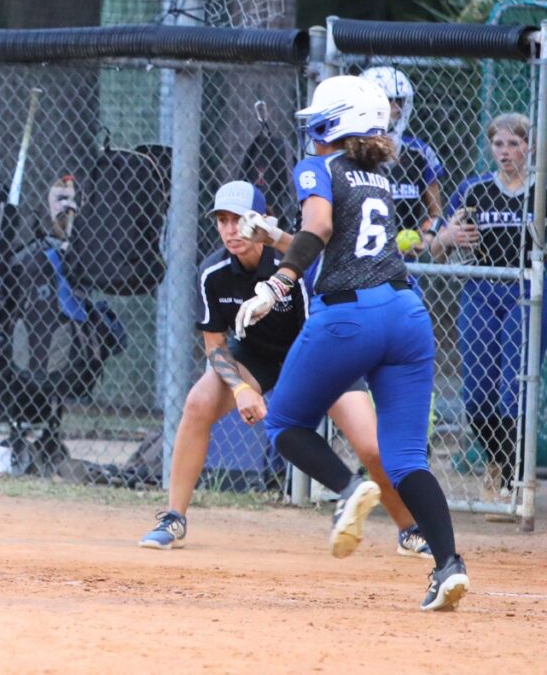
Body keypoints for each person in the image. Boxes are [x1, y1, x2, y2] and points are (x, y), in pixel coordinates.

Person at [235, 75, 468, 611]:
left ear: (333, 124)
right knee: (407, 457)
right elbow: (327, 240)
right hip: (407, 315)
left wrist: (277, 282)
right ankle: (449, 565)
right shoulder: (377, 175)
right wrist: (273, 237)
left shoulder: (318, 166)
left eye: (319, 123)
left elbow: (319, 224)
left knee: (286, 423)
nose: (312, 133)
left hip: (349, 316)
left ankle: (348, 490)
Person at [138, 181, 432, 561]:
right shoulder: (213, 272)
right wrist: (242, 389)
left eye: (240, 220)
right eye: (223, 221)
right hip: (257, 356)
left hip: (322, 353)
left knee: (373, 447)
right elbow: (215, 345)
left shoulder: (290, 264)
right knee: (197, 404)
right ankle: (173, 518)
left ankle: (409, 529)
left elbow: (317, 322)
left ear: (262, 222)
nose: (231, 230)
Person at [430, 112, 544, 514]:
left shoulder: (541, 189)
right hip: (480, 290)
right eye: (499, 144)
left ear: (529, 146)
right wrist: (450, 235)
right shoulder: (474, 189)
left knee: (512, 393)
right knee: (477, 398)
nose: (506, 152)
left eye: (514, 144)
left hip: (525, 293)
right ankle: (499, 460)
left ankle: (514, 480)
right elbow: (437, 249)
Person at [361, 66, 446, 255]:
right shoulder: (350, 153)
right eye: (387, 101)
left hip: (404, 265)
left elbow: (436, 213)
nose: (395, 108)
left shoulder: (418, 152)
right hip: (359, 261)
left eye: (398, 101)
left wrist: (427, 236)